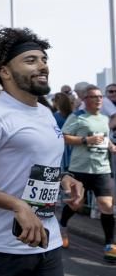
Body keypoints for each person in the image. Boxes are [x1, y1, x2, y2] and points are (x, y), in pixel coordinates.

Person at [0, 27, 85, 275]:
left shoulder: (44, 113)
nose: (42, 66)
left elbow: (35, 162)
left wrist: (64, 178)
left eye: (44, 60)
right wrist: (17, 205)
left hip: (46, 239)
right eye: (30, 60)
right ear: (4, 71)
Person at [59, 85, 116, 260]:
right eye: (93, 97)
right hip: (80, 169)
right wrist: (86, 139)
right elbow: (63, 137)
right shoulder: (77, 117)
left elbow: (104, 139)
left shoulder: (104, 118)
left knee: (107, 206)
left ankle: (110, 245)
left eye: (100, 96)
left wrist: (111, 146)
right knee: (76, 204)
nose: (98, 99)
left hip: (102, 169)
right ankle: (62, 227)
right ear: (85, 100)